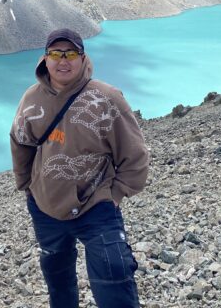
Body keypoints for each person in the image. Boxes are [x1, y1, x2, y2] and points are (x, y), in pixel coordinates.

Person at [10, 28, 150, 308]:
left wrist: (117, 194)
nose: (63, 60)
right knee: (58, 280)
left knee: (114, 276)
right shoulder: (32, 97)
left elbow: (134, 153)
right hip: (46, 207)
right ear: (45, 59)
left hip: (96, 206)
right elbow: (20, 140)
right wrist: (26, 185)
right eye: (56, 53)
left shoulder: (106, 98)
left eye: (71, 53)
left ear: (83, 58)